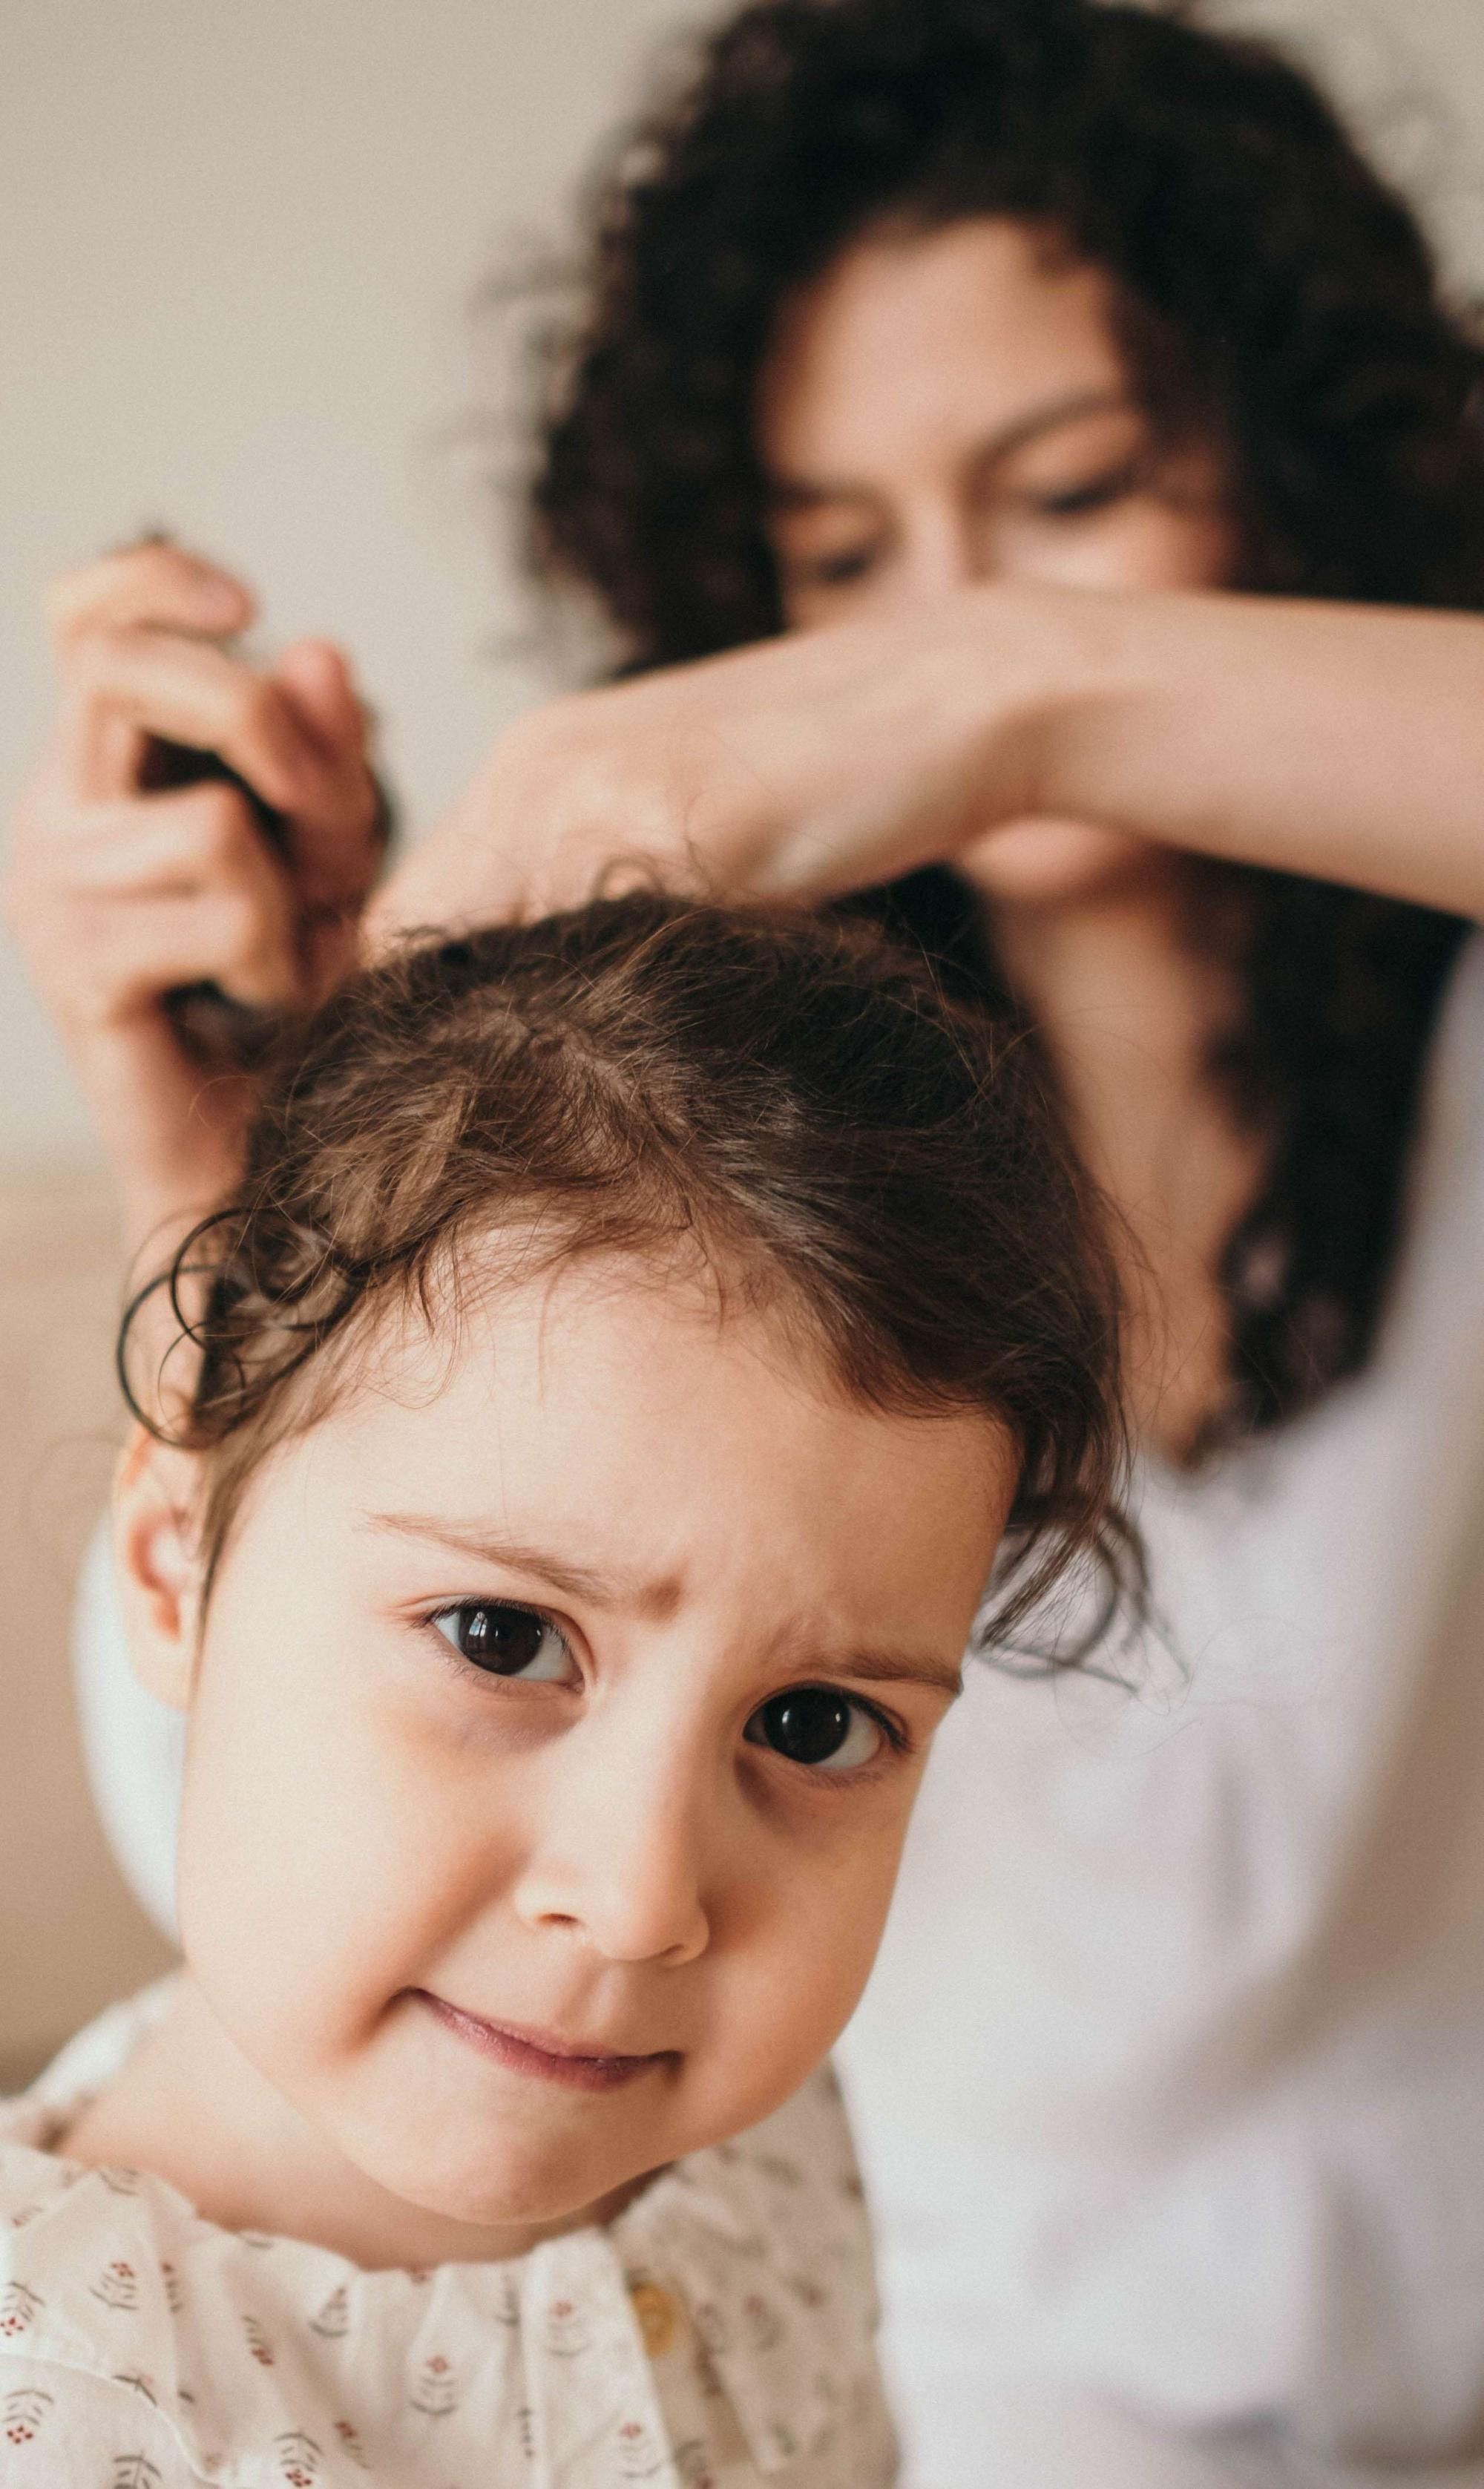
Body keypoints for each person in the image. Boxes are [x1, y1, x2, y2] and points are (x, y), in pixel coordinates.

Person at [13, 0, 1484, 2477]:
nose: (922, 620)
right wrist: (236, 1200)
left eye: (1071, 491)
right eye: (841, 560)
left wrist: (1018, 698)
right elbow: (303, 1859)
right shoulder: (711, 1193)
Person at [0, 891, 1127, 2487]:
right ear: (178, 1565)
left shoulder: (757, 2162)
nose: (643, 1898)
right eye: (502, 1639)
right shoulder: (60, 2396)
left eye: (811, 1726)